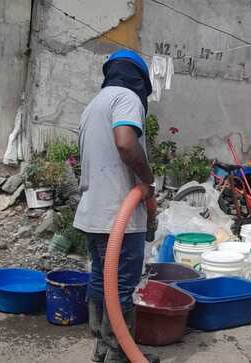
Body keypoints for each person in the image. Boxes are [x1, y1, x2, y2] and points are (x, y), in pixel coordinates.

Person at [73, 49, 158, 363]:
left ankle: (103, 348)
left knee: (101, 279)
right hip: (117, 216)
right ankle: (119, 352)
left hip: (93, 213)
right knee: (120, 284)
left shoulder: (93, 106)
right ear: (140, 79)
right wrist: (147, 182)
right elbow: (125, 142)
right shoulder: (126, 98)